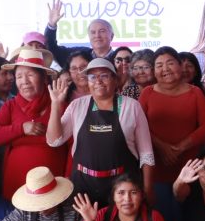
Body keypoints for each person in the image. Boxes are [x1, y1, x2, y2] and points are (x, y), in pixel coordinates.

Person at [47, 58, 155, 207]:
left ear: (115, 80)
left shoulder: (132, 106)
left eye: (104, 75)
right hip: (83, 186)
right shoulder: (77, 106)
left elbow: (146, 154)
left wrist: (147, 189)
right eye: (92, 77)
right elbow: (54, 141)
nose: (98, 81)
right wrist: (55, 104)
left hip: (122, 187)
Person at [140, 46, 205, 221]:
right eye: (159, 65)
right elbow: (139, 127)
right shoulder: (147, 93)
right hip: (156, 168)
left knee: (188, 218)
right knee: (162, 219)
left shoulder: (195, 92)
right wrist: (163, 147)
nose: (165, 69)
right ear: (154, 71)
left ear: (181, 66)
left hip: (188, 167)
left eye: (170, 63)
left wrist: (180, 147)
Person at [0, 48, 69, 200]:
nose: (24, 81)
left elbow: (72, 147)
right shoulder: (10, 106)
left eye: (30, 75)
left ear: (44, 77)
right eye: (19, 76)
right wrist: (21, 128)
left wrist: (69, 179)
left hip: (53, 184)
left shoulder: (59, 105)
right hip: (17, 182)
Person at [46, 0, 116, 69]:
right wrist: (51, 25)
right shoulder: (78, 55)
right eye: (93, 32)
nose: (97, 36)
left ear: (112, 36)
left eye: (102, 31)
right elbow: (53, 49)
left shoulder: (121, 58)